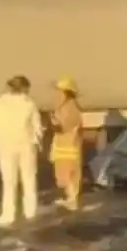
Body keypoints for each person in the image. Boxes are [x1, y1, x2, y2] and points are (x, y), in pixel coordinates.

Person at [0, 75, 42, 228]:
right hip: (26, 145)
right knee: (29, 178)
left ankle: (8, 214)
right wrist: (36, 142)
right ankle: (30, 212)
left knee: (9, 181)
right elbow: (37, 128)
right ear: (24, 87)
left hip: (6, 146)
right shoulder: (29, 103)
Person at [49, 76, 84, 211]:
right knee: (69, 172)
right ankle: (70, 198)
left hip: (67, 144)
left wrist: (52, 122)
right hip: (68, 144)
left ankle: (72, 200)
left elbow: (62, 127)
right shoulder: (70, 106)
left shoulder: (68, 108)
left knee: (68, 172)